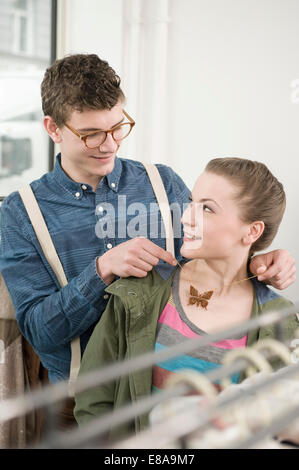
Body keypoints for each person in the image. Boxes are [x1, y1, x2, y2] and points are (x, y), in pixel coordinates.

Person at [0, 55, 295, 388]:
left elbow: (207, 263)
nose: (109, 144)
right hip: (75, 402)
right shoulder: (19, 213)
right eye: (91, 134)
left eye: (117, 127)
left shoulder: (163, 183)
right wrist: (101, 271)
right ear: (53, 128)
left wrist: (257, 261)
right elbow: (40, 331)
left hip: (159, 388)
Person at [73, 157, 299, 440]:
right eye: (192, 202)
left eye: (206, 208)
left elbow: (276, 425)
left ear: (252, 231)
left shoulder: (278, 319)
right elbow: (93, 398)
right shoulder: (141, 288)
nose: (186, 217)